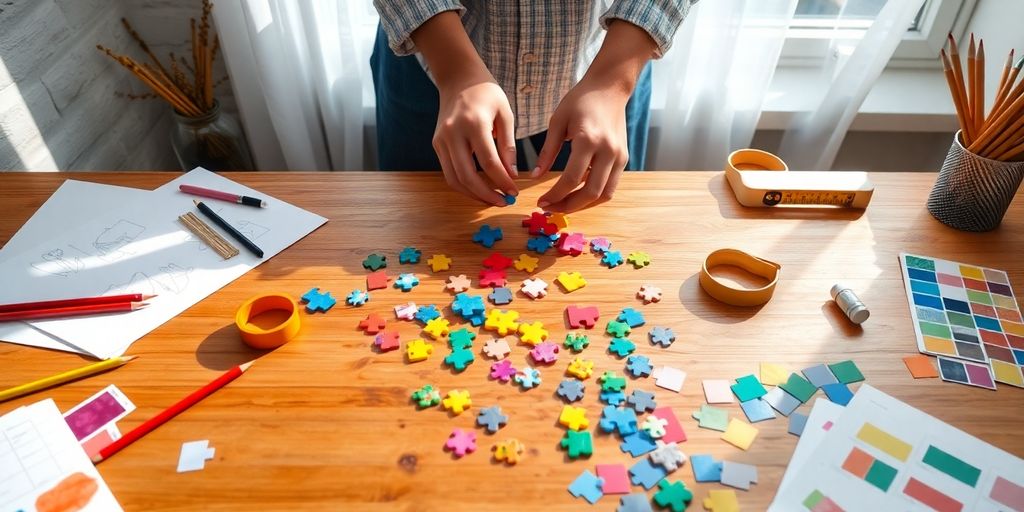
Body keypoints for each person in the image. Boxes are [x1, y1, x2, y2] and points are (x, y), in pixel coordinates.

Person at [371, 1, 695, 212]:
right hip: (430, 59)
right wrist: (454, 70)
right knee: (420, 219)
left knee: (602, 212)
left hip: (608, 63)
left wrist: (613, 82)